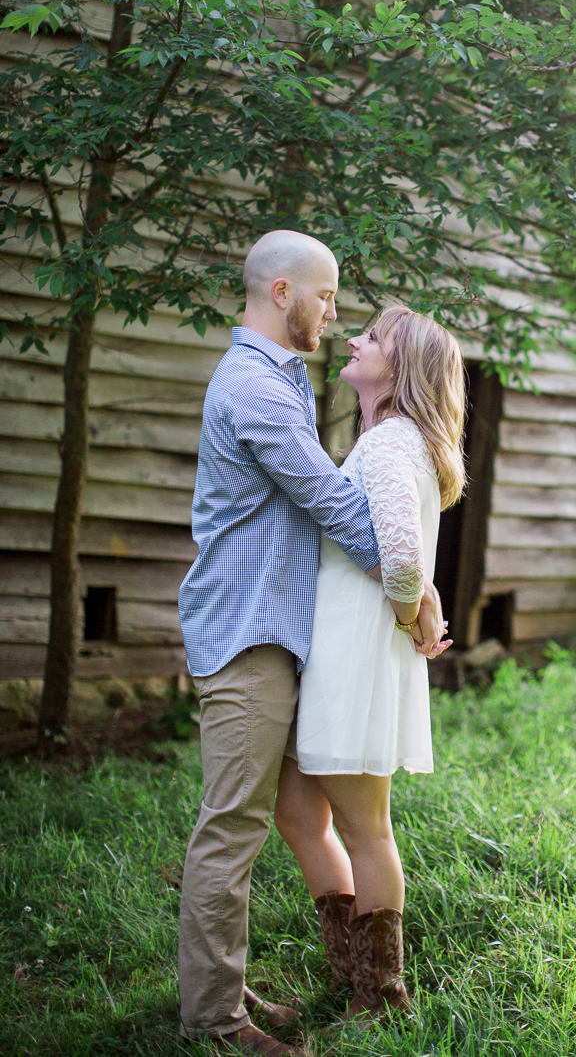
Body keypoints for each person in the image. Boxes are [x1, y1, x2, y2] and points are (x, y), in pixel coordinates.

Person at [176, 232, 445, 1056]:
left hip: (284, 635)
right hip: (251, 633)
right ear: (283, 290)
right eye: (327, 299)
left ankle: (303, 985)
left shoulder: (282, 379)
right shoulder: (256, 389)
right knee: (234, 827)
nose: (337, 317)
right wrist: (417, 593)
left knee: (291, 812)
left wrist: (413, 587)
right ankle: (217, 1021)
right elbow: (329, 501)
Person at [272, 305, 465, 1023]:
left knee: (366, 829)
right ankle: (348, 970)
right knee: (297, 813)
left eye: (375, 337)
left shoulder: (388, 445)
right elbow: (402, 547)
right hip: (342, 651)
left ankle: (381, 997)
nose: (354, 339)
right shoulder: (392, 440)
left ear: (403, 366)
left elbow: (403, 559)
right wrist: (420, 602)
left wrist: (409, 610)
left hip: (356, 655)